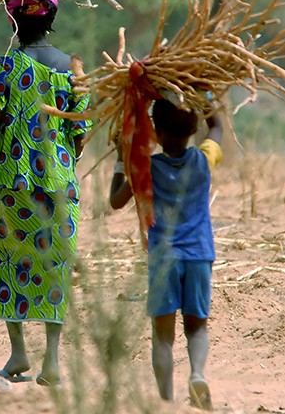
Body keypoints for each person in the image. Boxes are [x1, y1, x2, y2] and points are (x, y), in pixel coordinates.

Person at [0, 0, 91, 386]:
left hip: (10, 185)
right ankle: (50, 361)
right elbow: (81, 129)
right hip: (57, 184)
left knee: (8, 260)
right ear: (51, 21)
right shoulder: (73, 71)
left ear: (13, 23)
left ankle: (18, 352)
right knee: (54, 263)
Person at [110, 99, 222, 411]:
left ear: (156, 131)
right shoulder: (204, 159)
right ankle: (197, 373)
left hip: (164, 258)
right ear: (194, 129)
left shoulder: (147, 167)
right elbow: (218, 127)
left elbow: (115, 200)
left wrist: (122, 158)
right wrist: (204, 94)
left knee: (162, 336)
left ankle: (165, 400)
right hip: (199, 253)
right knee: (197, 327)